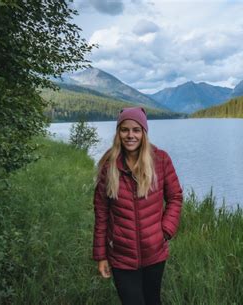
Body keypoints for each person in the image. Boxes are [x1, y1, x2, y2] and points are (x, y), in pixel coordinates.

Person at [92, 107, 183, 305]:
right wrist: (101, 256)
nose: (130, 135)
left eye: (136, 130)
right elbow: (101, 213)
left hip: (155, 252)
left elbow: (175, 197)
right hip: (120, 255)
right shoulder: (109, 166)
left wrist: (165, 230)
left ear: (144, 132)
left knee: (153, 301)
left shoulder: (161, 160)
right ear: (118, 133)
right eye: (125, 130)